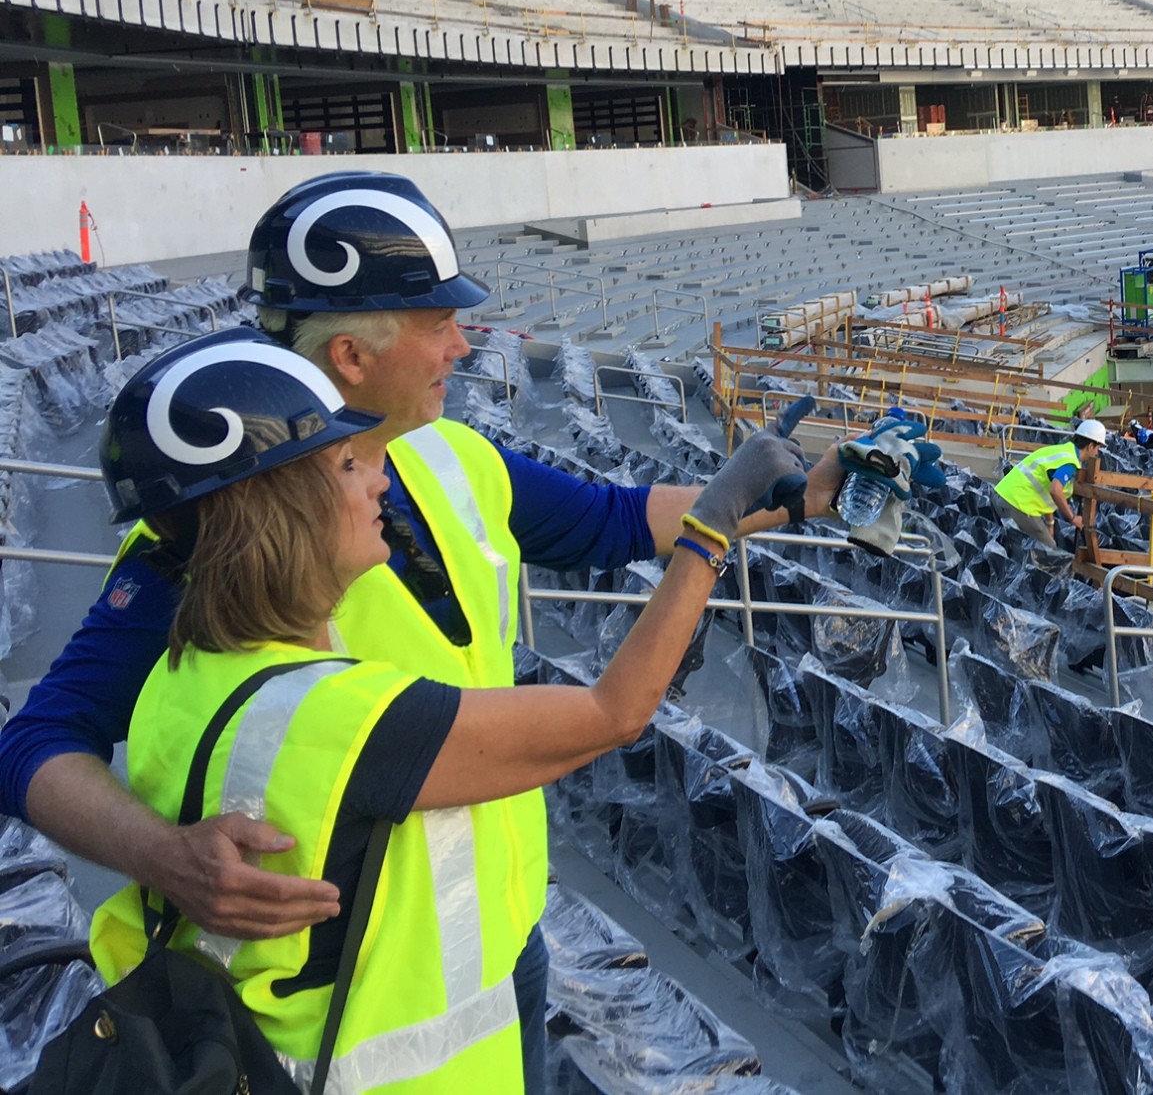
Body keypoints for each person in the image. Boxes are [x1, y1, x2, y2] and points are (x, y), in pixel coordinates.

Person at [0, 172, 844, 1093]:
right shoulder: (214, 534)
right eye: (438, 320)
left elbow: (618, 517)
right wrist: (161, 855)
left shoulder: (451, 453)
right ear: (354, 354)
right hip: (342, 1020)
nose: (463, 341)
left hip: (499, 948)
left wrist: (797, 497)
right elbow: (36, 741)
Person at [991, 419, 1106, 550]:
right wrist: (1073, 518)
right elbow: (1055, 490)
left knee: (1017, 548)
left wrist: (1050, 523)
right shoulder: (1070, 463)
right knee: (1049, 552)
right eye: (1098, 447)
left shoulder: (1061, 451)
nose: (1097, 452)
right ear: (1090, 446)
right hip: (1017, 504)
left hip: (1002, 496)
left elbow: (1045, 489)